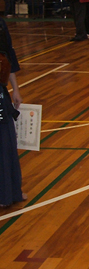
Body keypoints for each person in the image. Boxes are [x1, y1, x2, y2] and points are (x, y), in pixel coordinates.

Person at [0, 17, 26, 208]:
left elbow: (8, 55)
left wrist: (15, 89)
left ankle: (9, 191)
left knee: (5, 141)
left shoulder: (1, 24)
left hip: (1, 94)